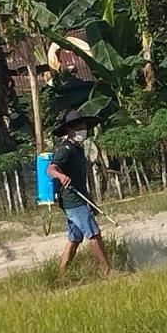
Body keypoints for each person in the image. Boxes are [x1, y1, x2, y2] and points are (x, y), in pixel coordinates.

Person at [47, 109, 114, 275]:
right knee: (94, 234)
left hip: (79, 198)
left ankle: (61, 275)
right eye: (79, 128)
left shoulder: (77, 150)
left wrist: (91, 202)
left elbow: (80, 182)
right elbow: (51, 169)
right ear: (70, 130)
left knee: (75, 239)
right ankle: (108, 271)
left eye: (84, 127)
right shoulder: (65, 149)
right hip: (72, 201)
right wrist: (61, 176)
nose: (83, 131)